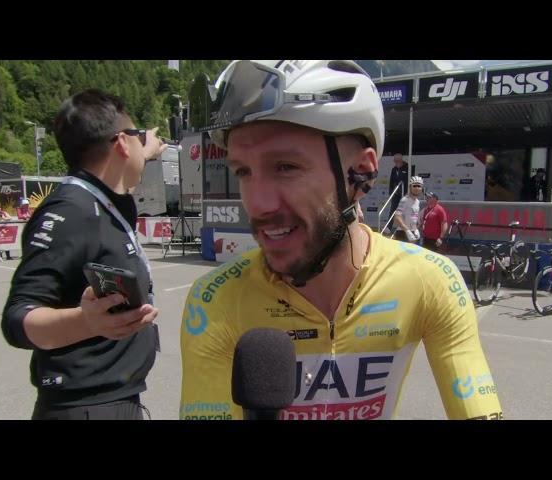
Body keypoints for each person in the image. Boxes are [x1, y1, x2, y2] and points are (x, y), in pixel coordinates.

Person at [179, 60, 502, 420]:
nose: (258, 204)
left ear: (361, 173)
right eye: (243, 171)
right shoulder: (215, 300)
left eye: (285, 167)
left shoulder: (431, 281)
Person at [2, 89, 165, 420]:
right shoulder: (71, 210)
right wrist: (86, 321)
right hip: (85, 407)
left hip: (116, 398)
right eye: (136, 137)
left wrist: (144, 151)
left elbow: (124, 178)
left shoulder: (102, 202)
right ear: (120, 143)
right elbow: (17, 318)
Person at [393, 176, 423, 243]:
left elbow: (414, 218)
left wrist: (415, 229)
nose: (417, 188)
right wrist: (407, 231)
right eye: (414, 186)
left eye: (419, 186)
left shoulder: (418, 202)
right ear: (410, 187)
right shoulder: (405, 200)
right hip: (402, 232)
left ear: (421, 188)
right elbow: (397, 217)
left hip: (413, 233)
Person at [387, 153, 408, 232]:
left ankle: (404, 228)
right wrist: (391, 192)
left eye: (397, 161)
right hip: (396, 193)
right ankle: (389, 227)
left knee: (405, 211)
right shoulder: (394, 169)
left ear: (401, 160)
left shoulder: (407, 167)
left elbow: (408, 180)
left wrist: (408, 192)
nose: (395, 162)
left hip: (405, 194)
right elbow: (391, 181)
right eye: (395, 161)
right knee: (392, 210)